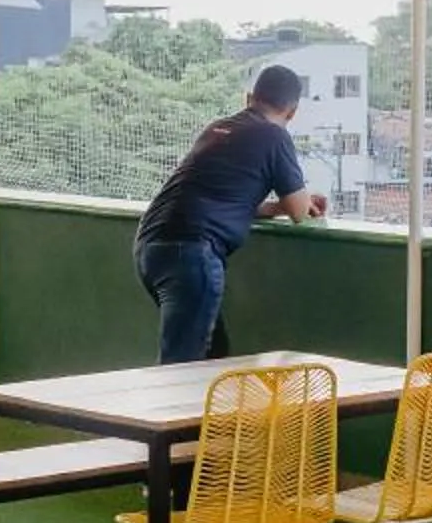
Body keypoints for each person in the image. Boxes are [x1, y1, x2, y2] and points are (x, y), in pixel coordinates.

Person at [134, 65, 328, 363]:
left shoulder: (217, 128)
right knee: (181, 367)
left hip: (151, 247)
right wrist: (301, 202)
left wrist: (277, 206)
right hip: (192, 253)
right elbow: (300, 212)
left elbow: (227, 199)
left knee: (213, 356)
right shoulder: (274, 136)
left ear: (249, 98)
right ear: (292, 112)